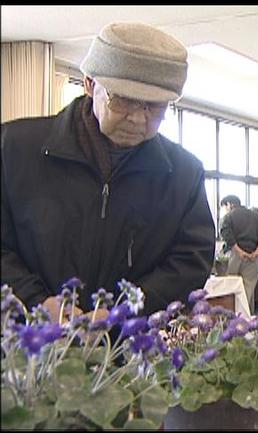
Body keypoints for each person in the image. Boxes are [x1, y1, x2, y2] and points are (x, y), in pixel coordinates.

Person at [1, 22, 216, 319]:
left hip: (130, 351)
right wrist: (34, 301)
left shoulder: (184, 173)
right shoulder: (13, 147)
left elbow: (190, 262)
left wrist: (121, 313)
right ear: (89, 84)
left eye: (155, 107)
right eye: (124, 101)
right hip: (24, 343)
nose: (139, 119)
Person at [219, 195, 258, 314]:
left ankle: (235, 320)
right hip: (253, 257)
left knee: (232, 289)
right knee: (249, 291)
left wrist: (240, 251)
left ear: (230, 204)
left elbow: (226, 234)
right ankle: (248, 319)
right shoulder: (257, 216)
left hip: (235, 256)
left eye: (225, 206)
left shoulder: (229, 216)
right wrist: (257, 252)